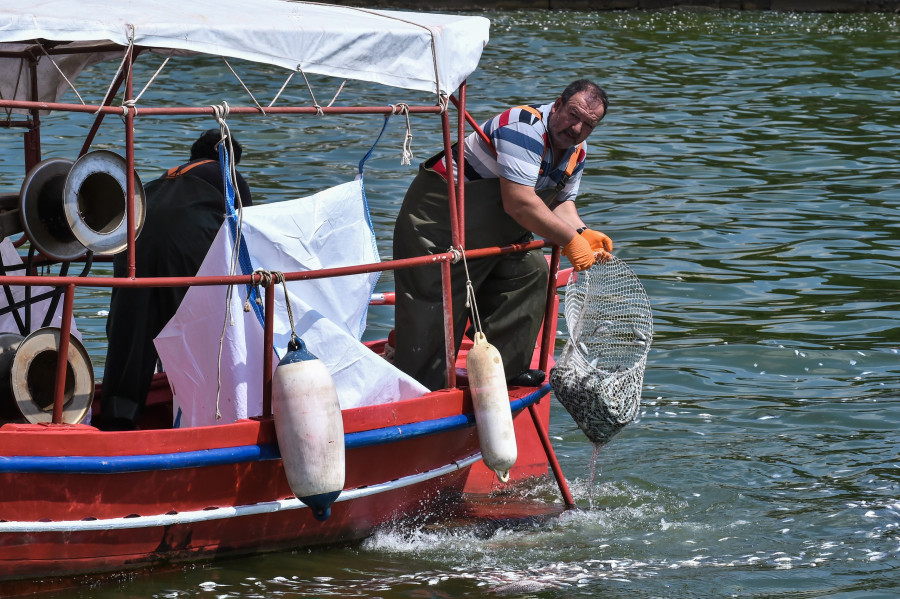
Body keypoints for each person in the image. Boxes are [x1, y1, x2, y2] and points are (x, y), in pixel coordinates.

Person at [392, 79, 614, 392]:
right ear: (558, 104)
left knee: (532, 271)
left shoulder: (577, 151)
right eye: (573, 115)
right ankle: (420, 393)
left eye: (588, 124)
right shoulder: (523, 127)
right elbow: (520, 202)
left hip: (493, 230)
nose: (576, 128)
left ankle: (504, 372)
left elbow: (562, 202)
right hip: (438, 224)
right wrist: (569, 241)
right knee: (436, 312)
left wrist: (582, 231)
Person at [96, 129, 252, 430]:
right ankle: (211, 412)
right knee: (200, 329)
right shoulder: (228, 176)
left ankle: (119, 418)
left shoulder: (165, 178)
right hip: (185, 247)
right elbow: (248, 234)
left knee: (132, 332)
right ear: (230, 161)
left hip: (132, 245)